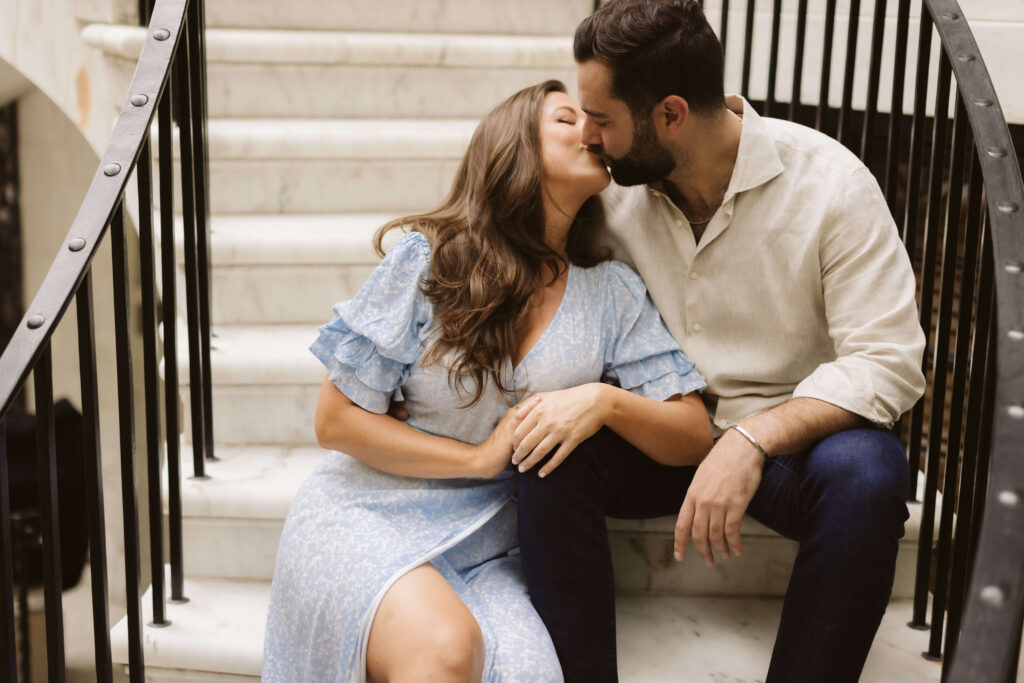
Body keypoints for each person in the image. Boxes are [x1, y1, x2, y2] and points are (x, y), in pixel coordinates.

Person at [515, 1, 928, 682]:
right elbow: (512, 252)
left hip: (794, 445)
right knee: (547, 450)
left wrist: (751, 437)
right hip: (662, 428)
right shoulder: (610, 193)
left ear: (670, 115)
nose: (588, 135)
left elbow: (887, 359)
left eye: (603, 119)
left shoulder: (831, 184)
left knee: (870, 472)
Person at [261, 80, 713, 682]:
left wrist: (603, 401)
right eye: (567, 119)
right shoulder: (429, 259)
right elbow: (335, 420)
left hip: (494, 553)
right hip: (370, 516)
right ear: (516, 146)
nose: (593, 132)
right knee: (446, 649)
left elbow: (692, 434)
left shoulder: (611, 293)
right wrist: (477, 459)